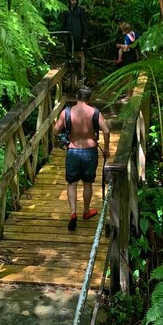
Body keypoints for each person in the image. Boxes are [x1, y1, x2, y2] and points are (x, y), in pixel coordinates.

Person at [53, 86, 110, 230]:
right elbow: (107, 130)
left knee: (72, 183)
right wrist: (107, 149)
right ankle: (86, 211)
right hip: (90, 152)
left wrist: (63, 137)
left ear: (77, 97)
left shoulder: (67, 112)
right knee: (87, 183)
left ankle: (73, 213)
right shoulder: (95, 112)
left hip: (73, 151)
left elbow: (55, 130)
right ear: (89, 99)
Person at [61, 0, 89, 80]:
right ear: (69, 0)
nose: (74, 2)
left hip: (79, 37)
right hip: (70, 37)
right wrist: (62, 36)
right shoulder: (66, 11)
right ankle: (72, 73)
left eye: (75, 0)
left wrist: (85, 36)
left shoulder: (80, 11)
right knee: (71, 54)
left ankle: (82, 72)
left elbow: (84, 24)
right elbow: (63, 24)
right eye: (72, 0)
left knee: (81, 54)